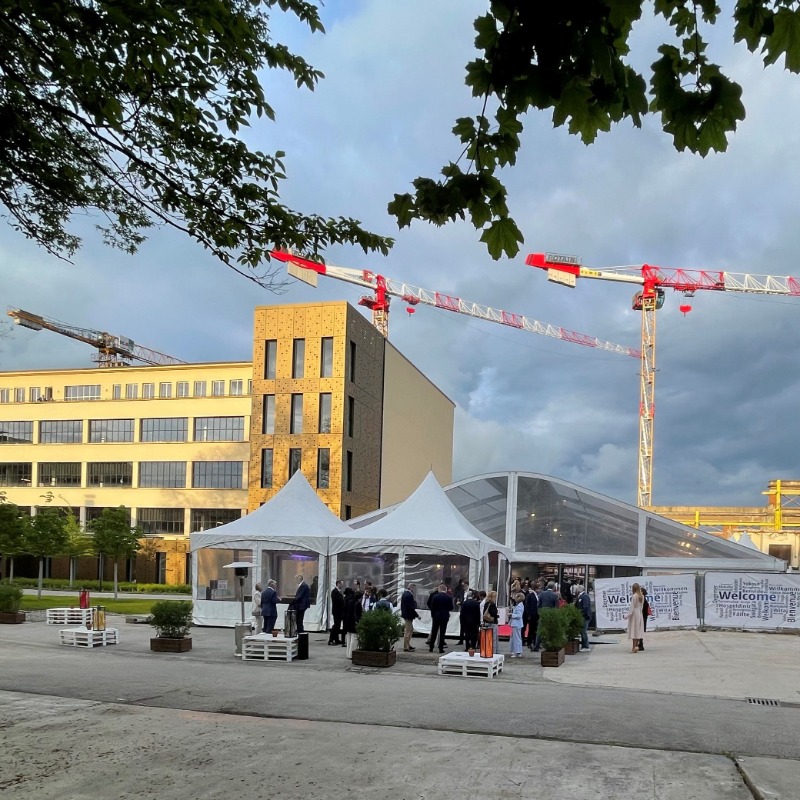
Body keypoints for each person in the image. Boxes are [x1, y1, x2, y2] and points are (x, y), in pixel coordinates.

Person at [533, 581, 560, 651]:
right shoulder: (555, 595)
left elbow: (538, 605)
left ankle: (537, 645)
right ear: (554, 587)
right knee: (550, 631)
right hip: (551, 615)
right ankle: (549, 645)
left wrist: (540, 613)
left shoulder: (541, 594)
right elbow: (557, 607)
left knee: (540, 631)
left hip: (542, 614)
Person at [428, 584, 454, 653]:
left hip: (436, 616)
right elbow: (451, 607)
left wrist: (433, 615)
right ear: (445, 589)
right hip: (444, 616)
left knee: (434, 631)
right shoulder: (449, 597)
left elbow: (432, 607)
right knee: (442, 632)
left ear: (439, 589)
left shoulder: (435, 597)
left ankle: (431, 647)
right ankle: (441, 648)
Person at [343, 589, 363, 659]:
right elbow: (359, 614)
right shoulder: (358, 604)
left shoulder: (350, 602)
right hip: (354, 622)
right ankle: (352, 654)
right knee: (354, 638)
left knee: (348, 637)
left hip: (348, 621)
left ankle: (348, 654)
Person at [400, 583, 420, 652]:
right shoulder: (409, 595)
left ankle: (408, 644)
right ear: (411, 588)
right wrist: (417, 615)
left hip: (406, 614)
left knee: (409, 630)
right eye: (414, 588)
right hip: (409, 615)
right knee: (408, 630)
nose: (414, 590)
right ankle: (406, 646)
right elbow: (411, 607)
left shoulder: (405, 594)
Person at [626, 582, 645, 653]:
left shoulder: (634, 596)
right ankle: (636, 646)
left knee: (634, 630)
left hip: (634, 614)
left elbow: (632, 607)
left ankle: (634, 647)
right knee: (638, 630)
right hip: (639, 613)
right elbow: (642, 606)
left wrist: (628, 615)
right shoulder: (642, 596)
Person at [575, 583, 592, 650]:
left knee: (583, 631)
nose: (576, 590)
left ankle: (586, 646)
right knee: (582, 631)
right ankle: (584, 645)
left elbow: (585, 607)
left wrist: (580, 614)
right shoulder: (580, 596)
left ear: (579, 589)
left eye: (577, 589)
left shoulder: (585, 596)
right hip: (582, 616)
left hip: (585, 617)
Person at [523, 585, 539, 651]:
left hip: (536, 615)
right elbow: (527, 605)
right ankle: (529, 642)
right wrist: (529, 615)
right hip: (531, 615)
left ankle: (534, 642)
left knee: (535, 629)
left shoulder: (537, 595)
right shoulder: (530, 595)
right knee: (531, 629)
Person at [329, 579, 345, 645]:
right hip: (336, 611)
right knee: (336, 625)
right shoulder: (334, 592)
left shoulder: (339, 591)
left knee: (338, 626)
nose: (342, 585)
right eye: (341, 584)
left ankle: (336, 639)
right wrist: (342, 599)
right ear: (338, 583)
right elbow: (336, 601)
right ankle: (331, 639)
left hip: (340, 611)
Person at [509, 592, 525, 657]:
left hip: (517, 624)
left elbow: (519, 615)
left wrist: (511, 615)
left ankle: (517, 652)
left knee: (516, 638)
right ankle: (516, 651)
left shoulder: (519, 606)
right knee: (515, 638)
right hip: (516, 624)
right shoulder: (519, 605)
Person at [639, 587, 650, 651]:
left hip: (642, 617)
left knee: (640, 631)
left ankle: (640, 644)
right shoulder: (644, 600)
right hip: (644, 617)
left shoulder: (643, 601)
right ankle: (640, 644)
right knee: (641, 631)